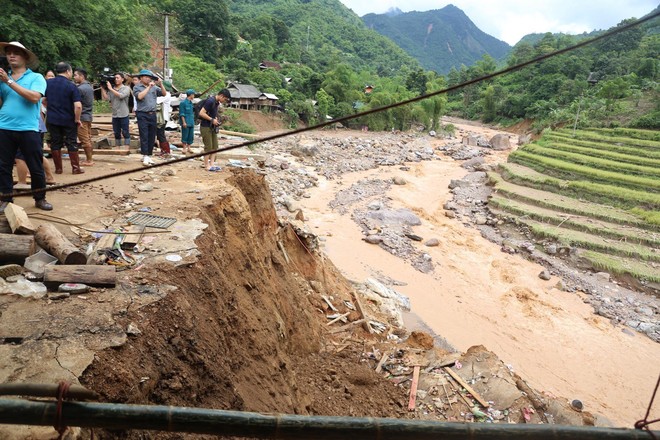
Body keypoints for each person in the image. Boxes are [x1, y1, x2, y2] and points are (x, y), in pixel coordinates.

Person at [0, 41, 53, 212]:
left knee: (35, 165)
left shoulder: (36, 78)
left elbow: (34, 97)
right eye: (9, 53)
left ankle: (40, 198)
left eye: (16, 52)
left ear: (25, 57)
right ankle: (6, 199)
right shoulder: (2, 78)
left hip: (28, 128)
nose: (12, 55)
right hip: (5, 126)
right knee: (4, 165)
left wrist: (8, 81)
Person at [133, 69, 163, 166]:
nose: (148, 78)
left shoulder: (154, 88)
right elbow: (140, 97)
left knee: (151, 135)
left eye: (149, 77)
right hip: (142, 114)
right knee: (144, 135)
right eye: (146, 77)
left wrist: (161, 84)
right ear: (141, 78)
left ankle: (149, 155)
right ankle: (145, 155)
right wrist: (148, 87)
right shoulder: (137, 87)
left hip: (152, 114)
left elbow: (164, 93)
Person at [199, 89, 230, 171]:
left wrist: (215, 120)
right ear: (221, 96)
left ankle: (212, 163)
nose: (224, 101)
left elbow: (213, 114)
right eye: (225, 99)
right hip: (205, 126)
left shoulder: (216, 103)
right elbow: (201, 113)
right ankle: (206, 165)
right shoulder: (210, 101)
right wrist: (212, 120)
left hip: (212, 127)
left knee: (215, 146)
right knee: (208, 147)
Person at [101, 72, 131, 147]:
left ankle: (127, 146)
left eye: (118, 78)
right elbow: (106, 98)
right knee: (116, 132)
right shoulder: (112, 89)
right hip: (115, 114)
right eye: (115, 78)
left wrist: (110, 89)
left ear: (122, 79)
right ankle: (118, 146)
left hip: (124, 113)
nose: (116, 79)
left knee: (125, 131)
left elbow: (121, 96)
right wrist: (103, 88)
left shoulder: (126, 88)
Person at [73, 68, 94, 166]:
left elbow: (78, 105)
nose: (74, 77)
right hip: (88, 115)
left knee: (84, 139)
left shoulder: (80, 89)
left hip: (82, 117)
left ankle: (89, 160)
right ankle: (89, 158)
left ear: (82, 76)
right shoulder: (89, 87)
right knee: (88, 138)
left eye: (76, 75)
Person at [155, 81, 173, 157]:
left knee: (161, 134)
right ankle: (163, 150)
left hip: (162, 118)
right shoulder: (166, 95)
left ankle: (166, 151)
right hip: (162, 117)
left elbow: (156, 101)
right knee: (159, 135)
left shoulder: (166, 95)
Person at [179, 89, 195, 154]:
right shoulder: (183, 103)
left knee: (191, 135)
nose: (194, 96)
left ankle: (189, 148)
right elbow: (182, 113)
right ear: (190, 95)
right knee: (185, 135)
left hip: (191, 121)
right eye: (193, 95)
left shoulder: (191, 103)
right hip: (186, 121)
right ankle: (184, 148)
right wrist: (184, 122)